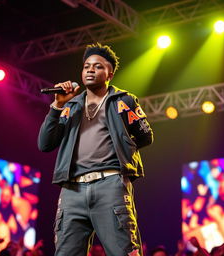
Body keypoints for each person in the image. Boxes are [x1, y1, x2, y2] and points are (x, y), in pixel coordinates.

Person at [38, 42, 153, 256]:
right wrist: (57, 106)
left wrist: (121, 150)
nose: (91, 69)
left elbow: (146, 136)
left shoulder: (123, 101)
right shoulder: (70, 106)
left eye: (98, 66)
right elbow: (45, 144)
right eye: (86, 66)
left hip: (110, 185)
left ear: (109, 73)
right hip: (72, 189)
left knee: (123, 252)